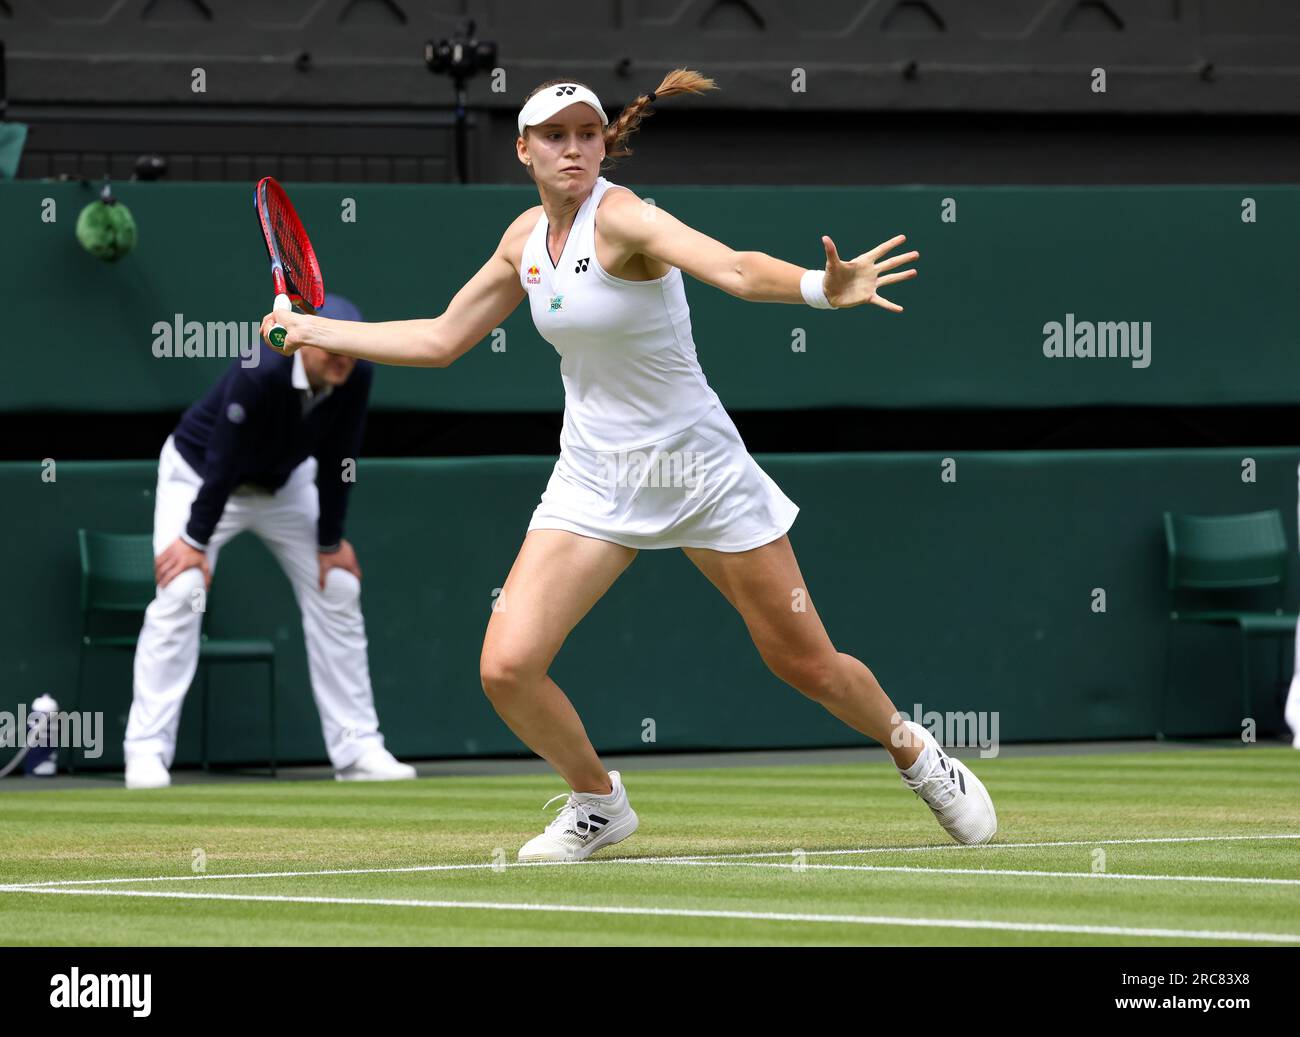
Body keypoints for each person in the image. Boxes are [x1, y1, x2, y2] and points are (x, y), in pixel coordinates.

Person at [260, 70, 997, 858]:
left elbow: (739, 270)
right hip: (593, 476)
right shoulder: (521, 242)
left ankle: (914, 750)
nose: (573, 148)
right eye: (555, 135)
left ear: (603, 143)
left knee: (805, 662)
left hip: (698, 472)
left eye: (586, 133)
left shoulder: (627, 218)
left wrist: (822, 287)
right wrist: (314, 332)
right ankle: (597, 801)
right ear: (524, 151)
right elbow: (441, 338)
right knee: (507, 666)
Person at [125, 294, 416, 788]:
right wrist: (195, 541)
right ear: (304, 343)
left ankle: (358, 749)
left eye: (349, 348)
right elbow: (222, 460)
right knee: (180, 591)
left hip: (284, 485)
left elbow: (341, 458)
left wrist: (329, 543)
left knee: (339, 587)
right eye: (331, 348)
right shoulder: (260, 371)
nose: (343, 359)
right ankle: (146, 753)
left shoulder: (355, 375)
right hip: (201, 478)